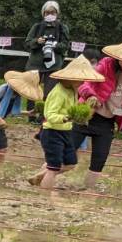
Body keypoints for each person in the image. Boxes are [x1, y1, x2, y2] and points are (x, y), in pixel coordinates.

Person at [74, 35, 122, 189]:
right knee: (67, 150)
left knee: (100, 159)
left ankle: (86, 191)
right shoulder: (105, 65)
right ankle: (44, 176)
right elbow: (85, 84)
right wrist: (90, 96)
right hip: (88, 114)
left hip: (108, 120)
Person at [29, 55, 100, 190]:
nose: (82, 82)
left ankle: (39, 176)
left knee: (71, 163)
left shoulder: (73, 90)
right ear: (70, 78)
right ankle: (44, 198)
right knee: (53, 167)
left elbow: (73, 110)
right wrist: (66, 118)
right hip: (52, 132)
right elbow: (49, 115)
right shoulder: (58, 92)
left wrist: (83, 112)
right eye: (80, 80)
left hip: (66, 131)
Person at [0, 69, 41, 162]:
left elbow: (10, 110)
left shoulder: (17, 96)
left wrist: (28, 113)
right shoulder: (3, 89)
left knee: (3, 149)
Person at [24, 0, 70, 93]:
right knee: (32, 93)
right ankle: (30, 108)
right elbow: (27, 43)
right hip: (35, 65)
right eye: (47, 12)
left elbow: (66, 45)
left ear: (57, 13)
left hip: (54, 65)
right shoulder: (36, 27)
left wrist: (54, 45)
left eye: (53, 12)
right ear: (43, 13)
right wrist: (37, 41)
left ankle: (47, 107)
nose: (50, 15)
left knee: (49, 93)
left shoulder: (62, 28)